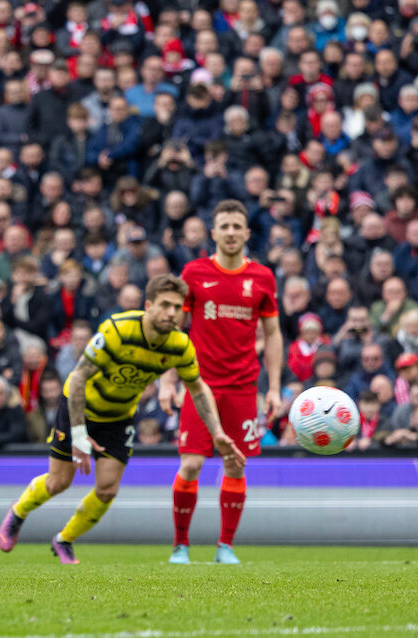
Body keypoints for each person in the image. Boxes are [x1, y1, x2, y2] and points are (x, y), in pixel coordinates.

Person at [0, 275, 244, 564]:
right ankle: (18, 512)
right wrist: (78, 435)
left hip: (119, 417)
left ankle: (64, 539)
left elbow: (198, 388)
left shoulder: (180, 345)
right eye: (165, 305)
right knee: (59, 483)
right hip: (80, 408)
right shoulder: (118, 330)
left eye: (177, 307)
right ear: (148, 306)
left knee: (107, 488)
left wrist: (217, 433)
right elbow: (77, 379)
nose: (172, 313)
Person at [159, 199, 283, 566]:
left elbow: (273, 334)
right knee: (191, 465)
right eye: (224, 226)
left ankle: (225, 546)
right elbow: (175, 330)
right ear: (213, 233)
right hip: (200, 385)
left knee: (236, 465)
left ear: (247, 233)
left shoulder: (262, 278)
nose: (230, 233)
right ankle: (181, 545)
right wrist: (169, 381)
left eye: (236, 227)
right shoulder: (194, 273)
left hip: (244, 386)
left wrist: (273, 387)